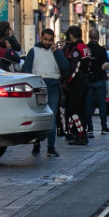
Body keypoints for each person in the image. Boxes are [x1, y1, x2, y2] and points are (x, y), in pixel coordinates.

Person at [21, 28, 68, 157]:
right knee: (38, 118)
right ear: (41, 38)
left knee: (51, 117)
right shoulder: (33, 51)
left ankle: (51, 147)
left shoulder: (56, 52)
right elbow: (26, 69)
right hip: (38, 88)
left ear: (53, 40)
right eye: (45, 39)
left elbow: (65, 66)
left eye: (50, 40)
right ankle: (37, 144)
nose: (47, 42)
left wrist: (56, 52)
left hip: (53, 88)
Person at [60, 25, 93, 145]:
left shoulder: (76, 50)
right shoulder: (85, 47)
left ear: (71, 35)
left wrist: (67, 81)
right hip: (85, 81)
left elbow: (75, 68)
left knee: (72, 109)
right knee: (80, 109)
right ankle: (77, 133)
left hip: (77, 83)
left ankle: (81, 134)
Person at [85, 28, 109, 136]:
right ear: (98, 37)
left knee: (88, 105)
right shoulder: (101, 50)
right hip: (100, 79)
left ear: (89, 37)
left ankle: (89, 128)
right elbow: (106, 64)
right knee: (102, 105)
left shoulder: (86, 49)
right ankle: (104, 127)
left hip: (88, 80)